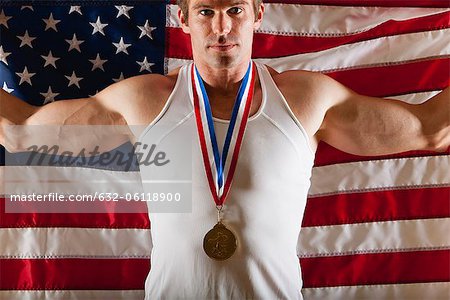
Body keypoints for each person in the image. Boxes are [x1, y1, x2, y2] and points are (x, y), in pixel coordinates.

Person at [1, 0, 449, 298]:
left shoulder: (306, 101)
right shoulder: (142, 101)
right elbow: (21, 133)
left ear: (258, 13)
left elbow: (431, 130)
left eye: (235, 8)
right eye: (206, 11)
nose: (221, 27)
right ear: (182, 18)